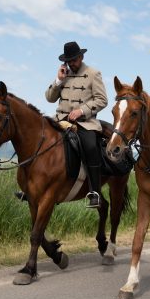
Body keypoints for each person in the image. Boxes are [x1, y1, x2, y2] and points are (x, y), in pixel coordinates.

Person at [45, 41, 108, 208]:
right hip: (60, 120)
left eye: (74, 60)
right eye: (68, 60)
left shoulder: (93, 73)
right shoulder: (63, 75)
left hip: (84, 122)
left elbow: (102, 100)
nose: (71, 63)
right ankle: (34, 188)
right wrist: (58, 80)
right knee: (40, 137)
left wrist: (82, 111)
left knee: (91, 147)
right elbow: (50, 98)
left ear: (81, 57)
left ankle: (94, 192)